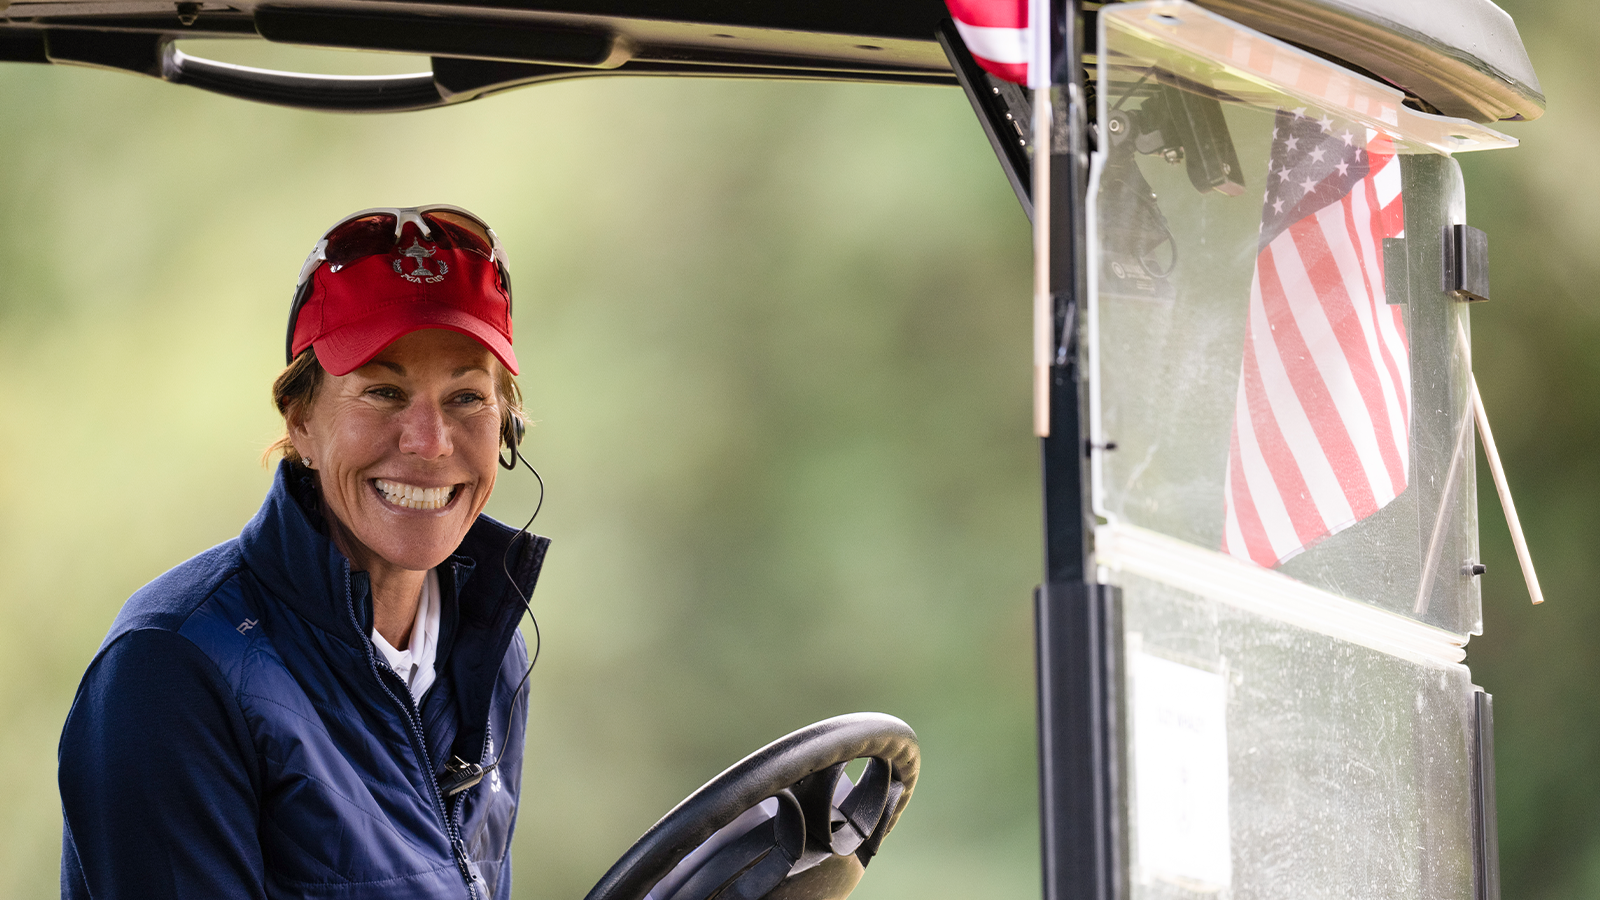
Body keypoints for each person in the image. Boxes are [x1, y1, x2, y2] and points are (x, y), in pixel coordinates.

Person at [56, 206, 548, 900]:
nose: (431, 440)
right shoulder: (172, 667)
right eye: (383, 391)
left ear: (508, 428)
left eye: (468, 396)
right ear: (301, 424)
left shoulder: (491, 658)